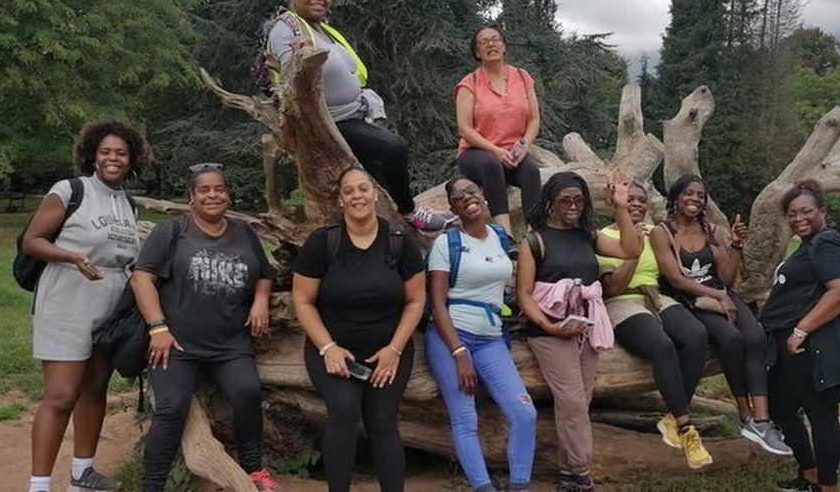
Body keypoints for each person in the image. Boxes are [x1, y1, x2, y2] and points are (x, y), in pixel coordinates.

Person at [264, 0, 452, 232]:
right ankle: (410, 211)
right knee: (395, 148)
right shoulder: (287, 28)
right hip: (330, 123)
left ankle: (395, 235)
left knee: (377, 181)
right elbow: (291, 75)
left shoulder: (323, 30)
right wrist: (299, 57)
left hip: (355, 115)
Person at [130, 164, 282, 492]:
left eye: (219, 189)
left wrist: (260, 300)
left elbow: (265, 274)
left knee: (247, 393)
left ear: (228, 194)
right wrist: (158, 328)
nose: (212, 195)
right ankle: (151, 485)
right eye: (204, 190)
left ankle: (254, 470)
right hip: (176, 343)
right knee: (172, 407)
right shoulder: (172, 232)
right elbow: (142, 278)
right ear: (191, 197)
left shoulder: (243, 232)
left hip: (230, 343)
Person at [23, 120, 150, 492]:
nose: (113, 158)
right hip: (68, 296)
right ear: (93, 154)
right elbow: (32, 240)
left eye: (121, 153)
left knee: (95, 388)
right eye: (106, 152)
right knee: (61, 395)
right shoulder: (70, 190)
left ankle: (83, 474)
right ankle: (40, 485)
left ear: (132, 160)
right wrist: (71, 256)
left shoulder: (127, 203)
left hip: (110, 302)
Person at [292, 166, 425, 492]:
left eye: (363, 189)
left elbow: (415, 301)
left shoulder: (399, 242)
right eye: (349, 191)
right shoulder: (323, 243)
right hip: (333, 349)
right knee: (345, 410)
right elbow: (303, 300)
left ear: (375, 194)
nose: (357, 196)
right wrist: (328, 348)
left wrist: (394, 350)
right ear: (340, 200)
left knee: (382, 420)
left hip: (389, 350)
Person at [515, 170, 641, 492]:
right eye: (565, 201)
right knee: (572, 401)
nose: (573, 206)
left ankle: (568, 473)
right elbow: (524, 294)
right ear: (550, 203)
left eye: (579, 200)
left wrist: (620, 207)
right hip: (547, 330)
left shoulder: (589, 235)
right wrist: (547, 325)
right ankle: (580, 474)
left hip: (584, 325)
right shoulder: (535, 241)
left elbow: (631, 249)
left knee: (579, 401)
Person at [650, 174, 791, 455]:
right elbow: (676, 280)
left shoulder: (711, 230)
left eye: (700, 195)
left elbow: (726, 276)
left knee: (755, 336)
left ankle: (761, 421)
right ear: (676, 197)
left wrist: (736, 245)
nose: (695, 199)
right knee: (730, 338)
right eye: (689, 194)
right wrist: (717, 296)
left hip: (720, 294)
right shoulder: (661, 233)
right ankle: (743, 414)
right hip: (692, 300)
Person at [425, 177, 537, 492]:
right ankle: (482, 487)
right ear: (452, 207)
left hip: (490, 338)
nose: (467, 198)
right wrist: (459, 353)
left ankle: (519, 486)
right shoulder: (446, 244)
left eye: (471, 191)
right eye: (458, 196)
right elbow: (437, 304)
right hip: (451, 337)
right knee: (465, 419)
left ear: (484, 195)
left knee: (524, 413)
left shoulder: (500, 237)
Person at [761, 179, 840, 492]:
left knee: (822, 416)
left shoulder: (827, 242)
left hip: (815, 346)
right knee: (780, 407)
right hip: (790, 348)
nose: (798, 219)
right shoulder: (810, 246)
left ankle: (827, 486)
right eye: (792, 214)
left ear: (822, 211)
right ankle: (809, 475)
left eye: (806, 211)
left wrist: (801, 329)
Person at [596, 180, 713, 469]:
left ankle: (672, 416)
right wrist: (632, 245)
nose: (636, 204)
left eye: (641, 200)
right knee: (661, 345)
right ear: (616, 204)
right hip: (622, 301)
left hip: (656, 297)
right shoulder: (602, 237)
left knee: (697, 335)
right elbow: (612, 288)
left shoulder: (655, 234)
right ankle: (686, 428)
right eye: (630, 199)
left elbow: (673, 271)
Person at [455, 24, 542, 234]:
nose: (490, 44)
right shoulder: (470, 83)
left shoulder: (522, 77)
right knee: (492, 165)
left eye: (495, 39)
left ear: (504, 46)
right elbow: (464, 129)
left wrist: (523, 147)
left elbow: (534, 119)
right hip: (476, 153)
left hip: (513, 153)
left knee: (531, 169)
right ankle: (506, 235)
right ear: (477, 52)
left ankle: (535, 234)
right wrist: (496, 151)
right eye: (483, 42)